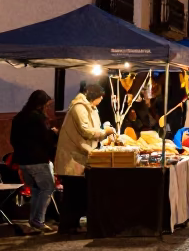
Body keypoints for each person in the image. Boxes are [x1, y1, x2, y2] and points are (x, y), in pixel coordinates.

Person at [54, 83, 114, 234]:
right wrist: (105, 132)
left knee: (78, 193)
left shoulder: (90, 107)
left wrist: (102, 136)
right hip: (72, 158)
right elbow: (86, 131)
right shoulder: (79, 107)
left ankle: (73, 225)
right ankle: (67, 226)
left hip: (80, 157)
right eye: (100, 97)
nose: (101, 101)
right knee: (72, 194)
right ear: (94, 96)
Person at [10, 90, 58, 234]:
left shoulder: (19, 117)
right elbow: (45, 139)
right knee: (48, 188)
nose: (47, 109)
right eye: (47, 105)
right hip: (37, 160)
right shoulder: (38, 118)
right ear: (40, 105)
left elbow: (13, 139)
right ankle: (38, 220)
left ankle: (34, 220)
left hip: (23, 161)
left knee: (37, 190)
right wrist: (53, 133)